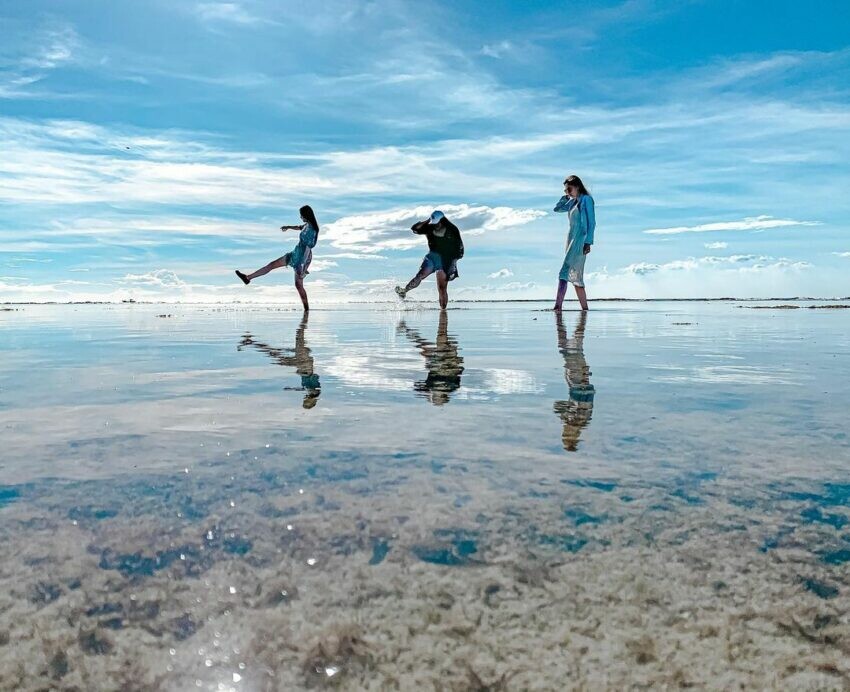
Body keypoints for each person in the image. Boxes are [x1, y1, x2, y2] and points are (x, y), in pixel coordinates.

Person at [235, 205, 319, 311]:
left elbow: (307, 249)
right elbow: (299, 227)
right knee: (272, 265)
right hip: (295, 253)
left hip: (302, 257)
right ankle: (247, 278)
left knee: (298, 285)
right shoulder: (307, 225)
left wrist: (302, 267)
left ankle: (307, 310)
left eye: (301, 215)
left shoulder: (312, 230)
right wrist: (288, 227)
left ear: (306, 215)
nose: (300, 217)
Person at [237, 314, 321, 409]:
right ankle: (305, 318)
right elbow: (314, 378)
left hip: (301, 364)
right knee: (297, 336)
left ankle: (251, 342)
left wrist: (292, 389)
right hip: (304, 363)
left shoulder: (310, 391)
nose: (305, 398)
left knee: (276, 355)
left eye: (304, 400)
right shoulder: (315, 392)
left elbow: (304, 388)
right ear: (311, 402)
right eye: (306, 401)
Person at [395, 210, 464, 309]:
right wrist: (428, 220)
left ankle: (443, 310)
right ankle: (404, 291)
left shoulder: (452, 229)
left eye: (438, 223)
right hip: (432, 257)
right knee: (420, 275)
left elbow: (460, 248)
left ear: (443, 220)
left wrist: (454, 261)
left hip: (446, 261)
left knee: (442, 288)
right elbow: (414, 229)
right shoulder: (430, 227)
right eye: (434, 223)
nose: (436, 225)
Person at [398, 311, 464, 406]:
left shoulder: (452, 387)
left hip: (441, 360)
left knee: (423, 343)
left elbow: (459, 371)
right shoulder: (446, 387)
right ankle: (405, 328)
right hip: (441, 360)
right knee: (427, 341)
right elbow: (459, 371)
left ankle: (405, 328)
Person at [553, 311, 595, 451]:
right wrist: (585, 378)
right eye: (566, 433)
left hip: (578, 385)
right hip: (579, 385)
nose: (564, 430)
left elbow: (560, 406)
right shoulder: (579, 420)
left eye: (564, 433)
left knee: (570, 348)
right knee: (572, 348)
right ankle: (580, 319)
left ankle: (577, 319)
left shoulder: (575, 420)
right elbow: (585, 402)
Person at [553, 175, 595, 311]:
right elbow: (557, 209)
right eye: (565, 190)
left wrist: (588, 242)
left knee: (564, 272)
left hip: (580, 239)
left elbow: (592, 222)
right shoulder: (571, 203)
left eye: (569, 189)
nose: (568, 192)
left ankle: (557, 306)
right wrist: (565, 198)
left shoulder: (586, 200)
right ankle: (585, 309)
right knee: (576, 275)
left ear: (577, 186)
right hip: (570, 240)